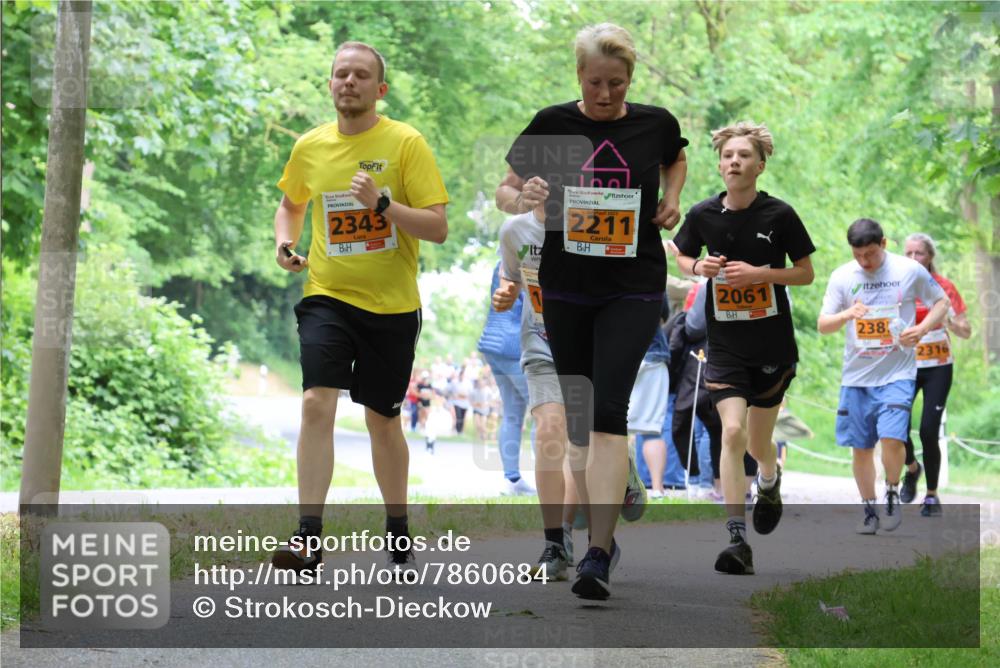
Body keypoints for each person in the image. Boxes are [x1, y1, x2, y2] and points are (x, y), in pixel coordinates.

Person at [497, 22, 688, 599]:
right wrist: (525, 195)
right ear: (578, 75)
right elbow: (506, 190)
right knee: (579, 418)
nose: (607, 94)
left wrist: (672, 197)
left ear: (631, 79)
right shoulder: (553, 124)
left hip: (632, 284)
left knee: (609, 410)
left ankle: (597, 554)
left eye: (618, 83)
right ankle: (600, 530)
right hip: (567, 285)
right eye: (597, 82)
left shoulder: (654, 122)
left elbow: (674, 161)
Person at [270, 41, 449, 573]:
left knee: (382, 418)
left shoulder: (404, 143)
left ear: (380, 89)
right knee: (315, 403)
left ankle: (396, 525)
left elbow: (437, 227)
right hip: (327, 295)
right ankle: (307, 537)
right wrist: (284, 243)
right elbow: (290, 204)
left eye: (361, 75)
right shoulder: (310, 146)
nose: (349, 82)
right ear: (330, 85)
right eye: (340, 74)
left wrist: (383, 205)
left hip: (392, 307)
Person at [672, 121, 815, 575]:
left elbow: (806, 273)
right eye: (728, 155)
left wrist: (761, 275)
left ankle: (769, 481)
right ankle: (737, 538)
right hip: (726, 344)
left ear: (761, 164)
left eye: (744, 155)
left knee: (758, 442)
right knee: (731, 433)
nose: (735, 161)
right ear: (719, 164)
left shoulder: (780, 215)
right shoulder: (701, 215)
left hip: (772, 343)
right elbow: (680, 254)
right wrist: (699, 265)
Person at [818, 219, 949, 534]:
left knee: (892, 438)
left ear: (885, 244)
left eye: (872, 254)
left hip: (898, 373)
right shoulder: (842, 276)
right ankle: (869, 509)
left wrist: (921, 328)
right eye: (859, 254)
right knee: (861, 447)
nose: (865, 261)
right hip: (856, 377)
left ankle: (891, 491)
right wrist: (847, 314)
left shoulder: (908, 270)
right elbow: (824, 324)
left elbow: (941, 302)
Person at [493, 205, 584, 580]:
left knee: (580, 444)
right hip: (541, 343)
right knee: (549, 433)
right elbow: (510, 278)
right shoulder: (515, 230)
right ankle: (555, 542)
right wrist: (506, 293)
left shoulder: (592, 220)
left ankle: (616, 471)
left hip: (588, 345)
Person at [899, 233, 971, 515]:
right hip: (905, 365)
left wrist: (949, 320)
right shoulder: (898, 284)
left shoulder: (944, 287)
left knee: (929, 429)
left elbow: (966, 331)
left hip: (939, 365)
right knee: (896, 426)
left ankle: (931, 495)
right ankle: (911, 468)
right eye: (908, 253)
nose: (914, 259)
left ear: (930, 257)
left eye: (919, 253)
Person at [478, 262, 536, 495]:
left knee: (512, 413)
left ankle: (511, 480)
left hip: (492, 344)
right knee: (545, 412)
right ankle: (551, 480)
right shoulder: (524, 263)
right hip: (515, 346)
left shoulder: (500, 264)